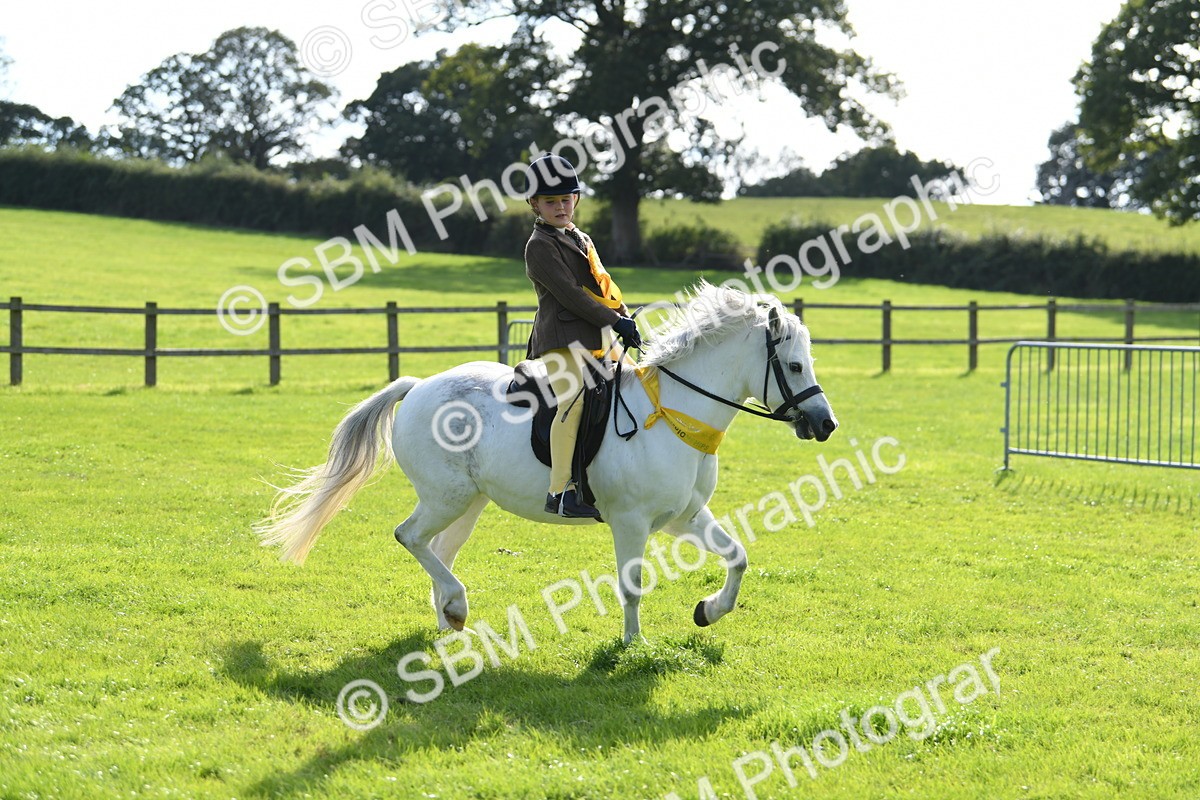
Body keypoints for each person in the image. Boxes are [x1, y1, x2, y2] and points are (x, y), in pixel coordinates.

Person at [522, 154, 642, 518]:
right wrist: (613, 321)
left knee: (640, 385)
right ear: (535, 205)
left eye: (566, 199)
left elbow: (599, 286)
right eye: (551, 202)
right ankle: (560, 490)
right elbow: (571, 295)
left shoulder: (580, 237)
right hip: (560, 340)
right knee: (572, 401)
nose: (560, 207)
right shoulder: (539, 246)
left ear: (575, 199)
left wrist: (623, 314)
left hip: (598, 336)